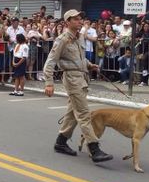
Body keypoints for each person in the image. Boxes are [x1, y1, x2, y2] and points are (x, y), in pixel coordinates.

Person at [43, 9, 113, 163]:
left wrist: (89, 65)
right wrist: (49, 83)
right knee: (83, 114)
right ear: (68, 22)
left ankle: (60, 142)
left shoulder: (80, 37)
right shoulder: (62, 39)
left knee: (72, 113)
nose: (80, 21)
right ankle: (94, 149)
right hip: (72, 79)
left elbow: (78, 58)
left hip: (82, 77)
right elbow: (50, 62)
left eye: (80, 18)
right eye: (75, 19)